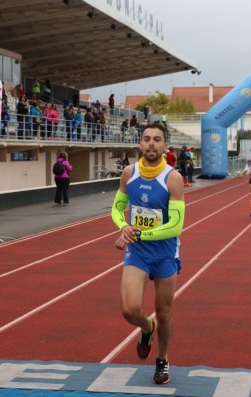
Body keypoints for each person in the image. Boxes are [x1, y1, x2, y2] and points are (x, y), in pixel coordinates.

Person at [111, 122, 185, 385]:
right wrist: (123, 227)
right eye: (146, 139)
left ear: (165, 146)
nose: (151, 144)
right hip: (138, 253)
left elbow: (176, 226)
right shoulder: (128, 174)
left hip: (165, 254)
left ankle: (162, 360)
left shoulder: (173, 178)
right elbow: (117, 210)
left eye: (157, 140)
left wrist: (137, 233)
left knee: (164, 312)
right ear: (140, 144)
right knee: (130, 310)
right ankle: (146, 327)